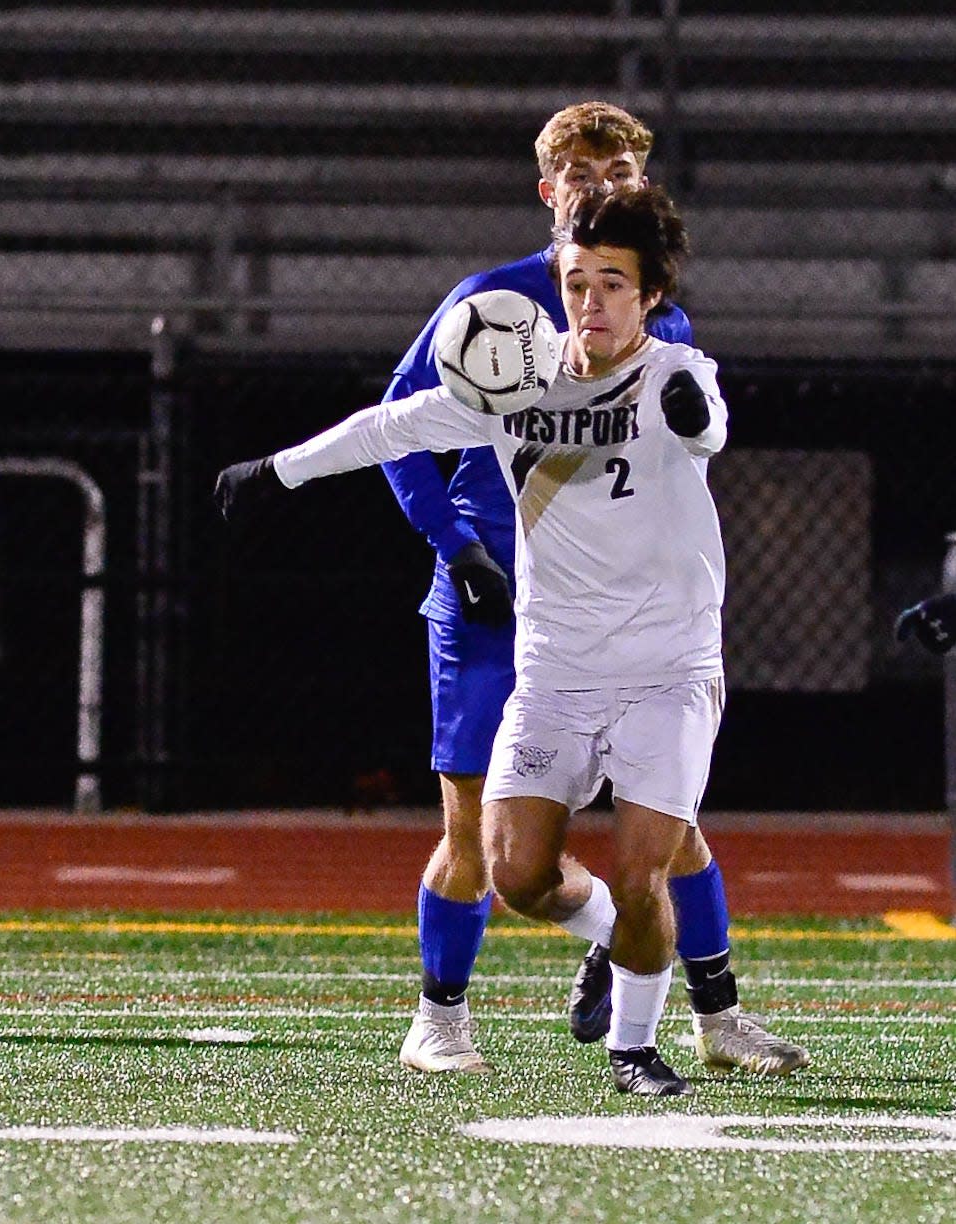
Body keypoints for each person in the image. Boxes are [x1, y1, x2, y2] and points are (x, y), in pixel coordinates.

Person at [215, 186, 807, 1094]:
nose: (591, 301)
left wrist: (693, 418)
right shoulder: (513, 382)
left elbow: (705, 423)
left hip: (665, 670)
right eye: (577, 282)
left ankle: (636, 1050)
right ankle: (621, 945)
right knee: (517, 873)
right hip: (554, 672)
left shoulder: (673, 372)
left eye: (614, 283)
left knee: (647, 864)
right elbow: (392, 426)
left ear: (650, 296)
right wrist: (276, 472)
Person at [375, 101, 808, 1078]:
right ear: (548, 189)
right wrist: (459, 547)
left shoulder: (657, 313)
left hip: (618, 617)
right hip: (494, 602)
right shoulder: (489, 302)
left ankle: (717, 1018)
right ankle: (440, 1020)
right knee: (477, 826)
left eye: (619, 180)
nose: (599, 192)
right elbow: (397, 432)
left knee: (675, 825)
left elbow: (683, 463)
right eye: (582, 176)